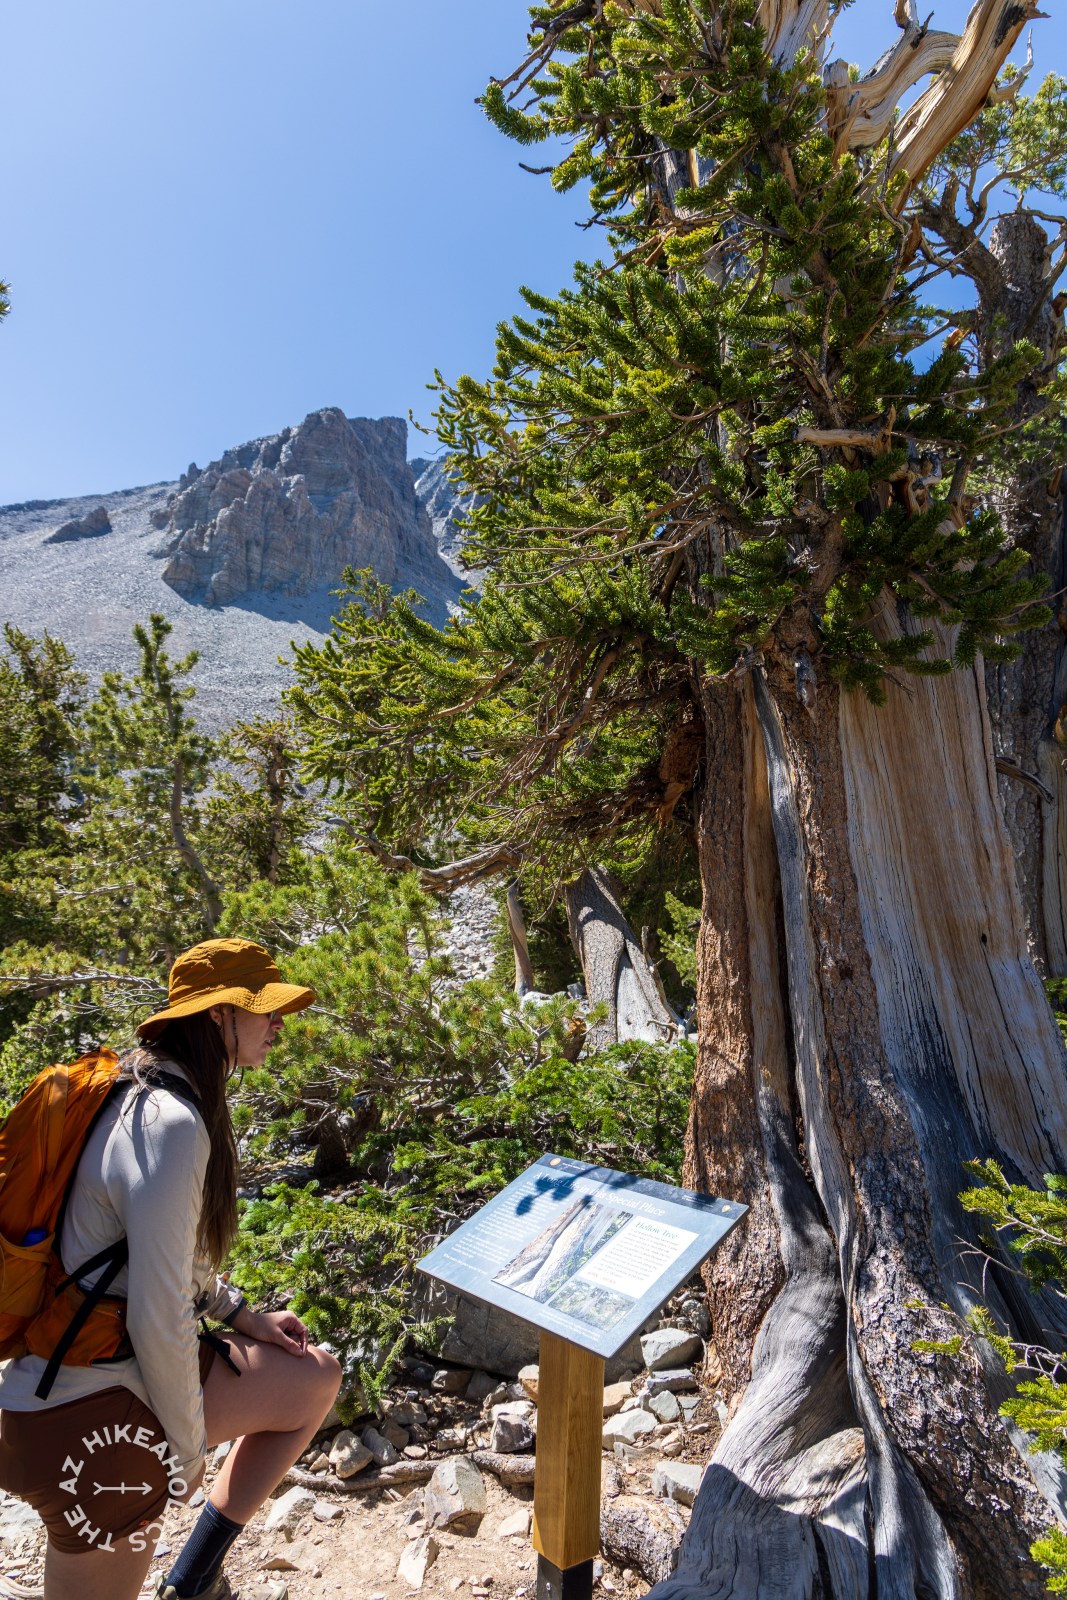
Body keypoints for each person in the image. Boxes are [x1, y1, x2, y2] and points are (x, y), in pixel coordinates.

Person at [0, 937, 343, 1600]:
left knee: (312, 1379)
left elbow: (164, 1265)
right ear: (216, 1014)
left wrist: (243, 1316)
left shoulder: (136, 1091)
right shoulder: (171, 1123)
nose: (279, 1023)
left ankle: (191, 1581)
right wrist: (185, 1459)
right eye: (263, 1009)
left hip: (57, 1398)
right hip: (90, 1427)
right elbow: (157, 1314)